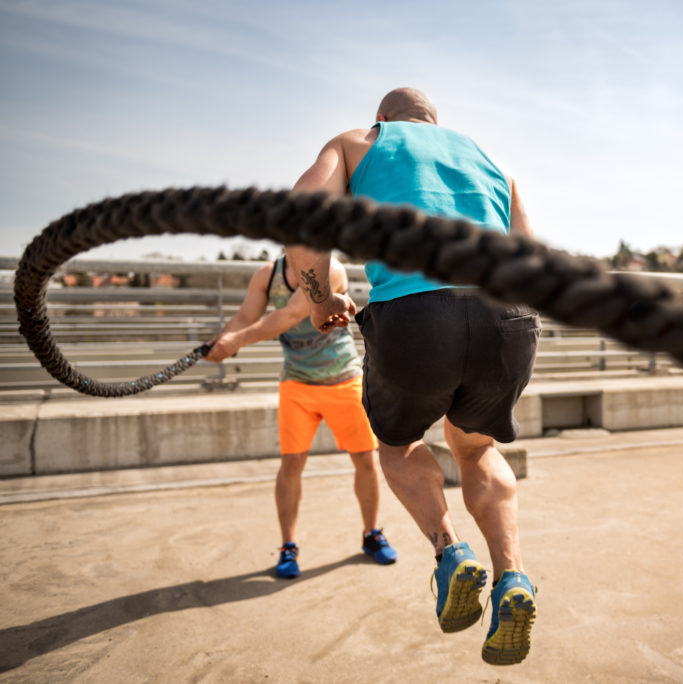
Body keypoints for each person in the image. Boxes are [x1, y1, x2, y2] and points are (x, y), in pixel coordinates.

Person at [286, 87, 539, 665]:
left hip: (420, 315)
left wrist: (321, 300)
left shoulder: (359, 142)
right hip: (509, 318)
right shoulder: (489, 159)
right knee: (475, 449)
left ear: (384, 119)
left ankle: (452, 553)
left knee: (397, 445)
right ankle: (514, 580)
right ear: (435, 122)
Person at [204, 253, 398, 578]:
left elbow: (291, 314)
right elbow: (245, 315)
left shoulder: (331, 270)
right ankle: (288, 546)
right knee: (292, 463)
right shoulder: (267, 275)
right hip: (296, 380)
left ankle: (372, 534)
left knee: (365, 458)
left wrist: (238, 340)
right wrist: (222, 341)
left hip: (343, 378)